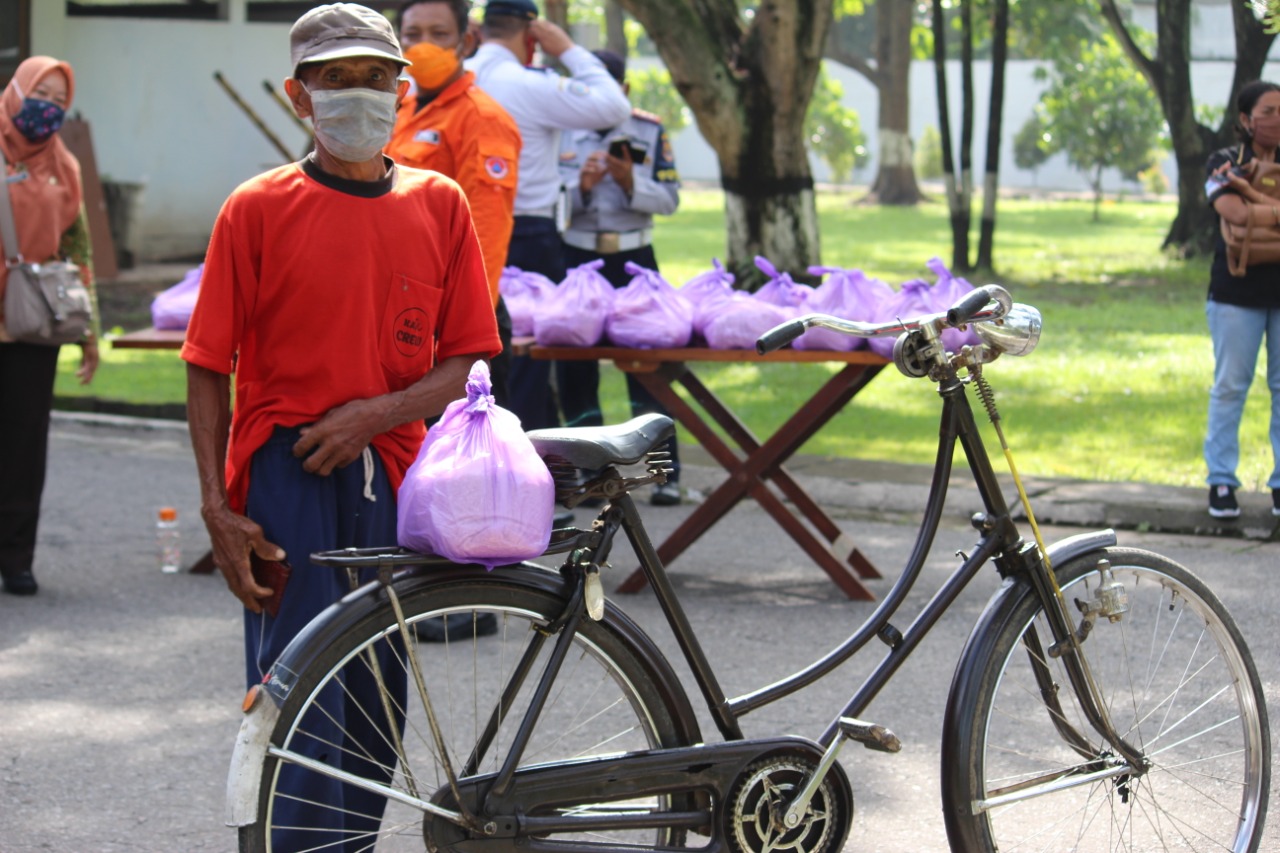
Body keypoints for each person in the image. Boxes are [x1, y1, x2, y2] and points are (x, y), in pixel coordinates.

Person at [180, 4, 499, 846]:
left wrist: (377, 413)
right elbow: (207, 362)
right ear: (299, 96)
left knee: (378, 692)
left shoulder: (440, 204)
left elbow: (467, 359)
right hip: (286, 475)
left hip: (396, 470)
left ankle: (348, 844)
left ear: (401, 91)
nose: (358, 96)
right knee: (295, 684)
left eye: (374, 79)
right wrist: (217, 505)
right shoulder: (256, 209)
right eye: (335, 80)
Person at [468, 0, 630, 431]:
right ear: (531, 35)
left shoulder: (459, 80)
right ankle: (530, 467)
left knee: (468, 354)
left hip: (458, 231)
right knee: (527, 360)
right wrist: (569, 49)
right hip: (525, 232)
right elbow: (614, 107)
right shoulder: (525, 82)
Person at [556, 50, 682, 505]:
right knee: (574, 369)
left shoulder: (648, 130)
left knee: (647, 368)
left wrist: (631, 183)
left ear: (623, 91)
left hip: (634, 258)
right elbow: (549, 201)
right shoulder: (562, 129)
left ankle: (664, 474)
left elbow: (670, 200)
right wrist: (582, 189)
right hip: (578, 258)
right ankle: (583, 476)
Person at [387, 0, 521, 404]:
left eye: (438, 34)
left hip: (454, 323)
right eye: (412, 35)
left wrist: (459, 333)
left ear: (466, 40)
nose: (423, 45)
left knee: (460, 461)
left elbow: (486, 234)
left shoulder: (482, 120)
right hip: (401, 311)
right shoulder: (400, 108)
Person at [0, 56, 99, 597]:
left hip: (31, 325)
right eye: (41, 94)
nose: (49, 109)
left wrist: (87, 331)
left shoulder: (63, 165)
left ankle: (16, 558)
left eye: (60, 101)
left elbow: (76, 248)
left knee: (23, 447)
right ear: (15, 91)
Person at [1203, 80, 1280, 520]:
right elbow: (1230, 213)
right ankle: (1221, 483)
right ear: (1246, 119)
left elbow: (1244, 214)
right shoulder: (1224, 161)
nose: (1276, 119)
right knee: (1231, 387)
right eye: (1268, 110)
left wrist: (1254, 207)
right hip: (1235, 294)